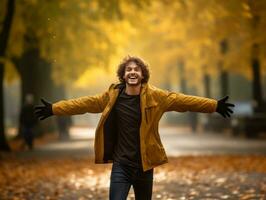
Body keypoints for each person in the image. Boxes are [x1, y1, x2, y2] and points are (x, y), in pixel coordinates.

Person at [35, 56, 234, 200]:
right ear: (123, 75)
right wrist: (54, 109)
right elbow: (84, 103)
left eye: (136, 69)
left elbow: (184, 101)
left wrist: (214, 105)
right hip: (121, 165)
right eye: (128, 69)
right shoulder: (111, 96)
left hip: (145, 165)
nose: (132, 72)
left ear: (142, 75)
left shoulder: (156, 96)